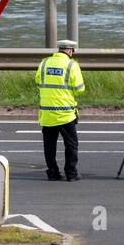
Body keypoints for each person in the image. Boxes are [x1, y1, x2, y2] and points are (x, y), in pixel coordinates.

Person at [35, 38, 85, 181]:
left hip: (47, 113)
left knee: (49, 146)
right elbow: (79, 89)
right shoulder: (71, 65)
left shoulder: (44, 63)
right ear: (70, 50)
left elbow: (38, 82)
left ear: (59, 49)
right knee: (71, 145)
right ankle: (71, 173)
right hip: (65, 114)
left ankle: (53, 173)